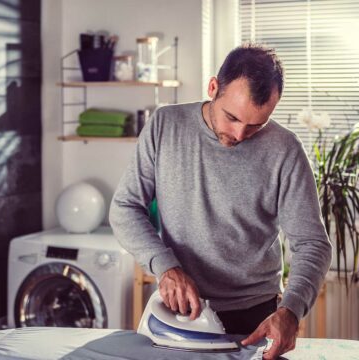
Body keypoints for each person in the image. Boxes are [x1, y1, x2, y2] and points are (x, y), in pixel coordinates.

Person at [109, 43, 332, 359]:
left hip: (256, 317)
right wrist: (165, 265)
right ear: (213, 87)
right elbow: (125, 208)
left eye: (256, 124)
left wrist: (291, 311)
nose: (240, 134)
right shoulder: (164, 126)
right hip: (180, 311)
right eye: (232, 117)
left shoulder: (285, 150)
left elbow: (313, 243)